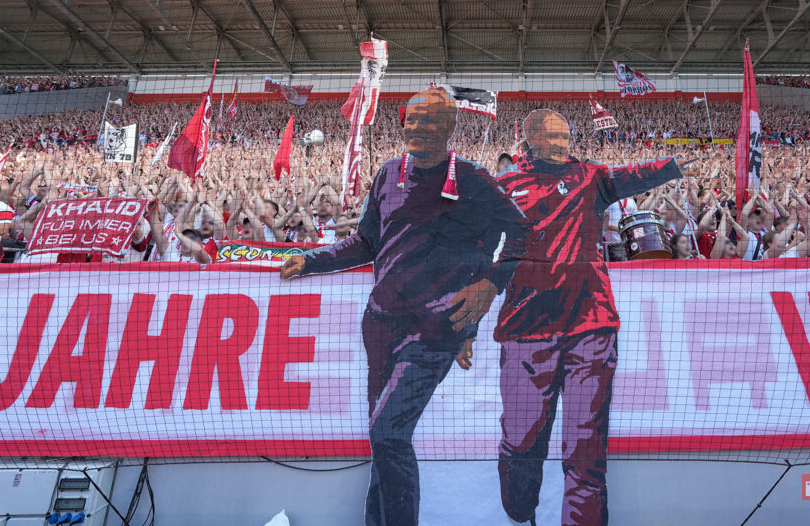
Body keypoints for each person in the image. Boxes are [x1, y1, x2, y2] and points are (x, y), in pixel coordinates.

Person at [280, 87, 527, 526]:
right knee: (384, 439)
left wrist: (491, 283)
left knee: (387, 433)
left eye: (428, 121)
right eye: (411, 120)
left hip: (435, 330)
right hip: (380, 325)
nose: (416, 128)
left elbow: (524, 235)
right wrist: (312, 261)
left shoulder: (473, 179)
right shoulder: (388, 172)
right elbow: (367, 243)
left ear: (450, 127)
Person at [493, 109, 686, 526]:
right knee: (521, 442)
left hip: (591, 327)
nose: (564, 144)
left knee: (586, 451)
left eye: (567, 136)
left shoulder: (590, 176)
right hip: (527, 331)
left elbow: (630, 175)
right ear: (529, 140)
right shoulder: (502, 187)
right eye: (554, 137)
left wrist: (669, 166)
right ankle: (519, 510)